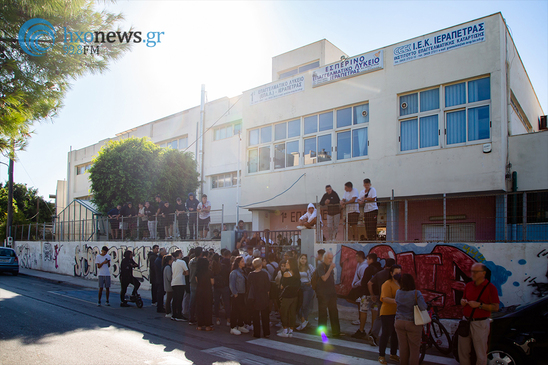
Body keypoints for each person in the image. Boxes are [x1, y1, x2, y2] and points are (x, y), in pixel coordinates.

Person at [458, 263, 500, 365]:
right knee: (463, 352)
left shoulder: (490, 288)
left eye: (476, 272)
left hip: (480, 323)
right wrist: (462, 302)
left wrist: (480, 305)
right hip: (466, 321)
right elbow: (463, 299)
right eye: (472, 271)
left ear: (483, 273)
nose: (473, 274)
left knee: (480, 354)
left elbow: (495, 307)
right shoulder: (468, 285)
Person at [395, 274, 427, 365]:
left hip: (399, 321)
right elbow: (423, 307)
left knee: (403, 347)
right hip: (413, 322)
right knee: (414, 349)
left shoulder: (398, 292)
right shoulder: (416, 293)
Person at [368, 258, 396, 346]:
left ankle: (374, 334)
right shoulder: (394, 274)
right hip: (392, 300)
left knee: (379, 318)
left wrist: (372, 294)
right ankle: (393, 337)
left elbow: (369, 283)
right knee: (393, 318)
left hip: (382, 299)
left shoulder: (380, 274)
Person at [354, 253, 382, 339]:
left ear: (370, 259)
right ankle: (372, 330)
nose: (367, 261)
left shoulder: (368, 269)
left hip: (366, 294)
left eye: (368, 259)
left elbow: (364, 282)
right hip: (377, 295)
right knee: (375, 311)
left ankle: (361, 330)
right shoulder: (380, 269)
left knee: (363, 311)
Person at [378, 264, 402, 365]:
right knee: (386, 334)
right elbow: (384, 298)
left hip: (398, 313)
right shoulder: (387, 284)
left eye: (399, 273)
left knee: (395, 334)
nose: (398, 275)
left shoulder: (401, 283)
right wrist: (396, 301)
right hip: (387, 312)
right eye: (396, 273)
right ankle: (381, 355)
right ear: (391, 273)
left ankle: (393, 354)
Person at [316, 252, 342, 337]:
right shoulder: (321, 266)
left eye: (331, 258)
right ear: (325, 258)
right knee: (323, 313)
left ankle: (336, 331)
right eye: (329, 258)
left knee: (334, 312)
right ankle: (322, 332)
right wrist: (330, 268)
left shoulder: (330, 266)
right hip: (323, 294)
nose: (331, 260)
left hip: (331, 293)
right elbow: (324, 278)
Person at [248, 257, 271, 338]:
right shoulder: (264, 274)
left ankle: (256, 333)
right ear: (261, 265)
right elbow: (268, 287)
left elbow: (248, 287)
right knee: (265, 316)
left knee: (255, 317)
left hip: (254, 297)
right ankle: (266, 332)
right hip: (263, 296)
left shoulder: (250, 275)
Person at [278, 257, 300, 338]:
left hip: (287, 296)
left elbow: (282, 286)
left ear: (291, 264)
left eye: (287, 263)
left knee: (284, 313)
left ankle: (284, 330)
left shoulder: (286, 274)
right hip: (295, 296)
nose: (286, 264)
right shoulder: (297, 274)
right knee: (292, 313)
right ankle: (291, 330)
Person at [346, 251, 368, 329]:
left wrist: (356, 284)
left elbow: (363, 279)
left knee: (355, 301)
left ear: (359, 257)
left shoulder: (364, 266)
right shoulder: (360, 264)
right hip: (357, 286)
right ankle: (359, 316)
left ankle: (360, 319)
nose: (355, 258)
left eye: (356, 257)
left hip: (359, 287)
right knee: (350, 299)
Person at [229, 256, 249, 335]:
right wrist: (235, 293)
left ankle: (241, 325)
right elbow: (232, 284)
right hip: (237, 294)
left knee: (242, 310)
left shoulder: (243, 272)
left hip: (242, 294)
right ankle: (233, 327)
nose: (244, 263)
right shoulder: (234, 272)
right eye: (242, 261)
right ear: (238, 263)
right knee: (235, 311)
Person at [296, 254, 315, 331]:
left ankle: (304, 322)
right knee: (298, 305)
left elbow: (315, 274)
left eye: (304, 259)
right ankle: (304, 321)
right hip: (300, 287)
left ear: (306, 260)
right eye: (302, 258)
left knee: (305, 305)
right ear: (299, 259)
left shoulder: (309, 266)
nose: (303, 260)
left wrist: (311, 282)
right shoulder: (298, 268)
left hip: (307, 287)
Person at [195, 257, 214, 331]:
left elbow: (197, 281)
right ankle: (207, 325)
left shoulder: (197, 272)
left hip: (199, 291)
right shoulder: (209, 272)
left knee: (199, 307)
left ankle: (200, 325)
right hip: (207, 291)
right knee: (207, 308)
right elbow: (212, 282)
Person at [213, 250, 231, 326]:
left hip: (216, 286)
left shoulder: (213, 267)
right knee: (227, 303)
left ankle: (217, 319)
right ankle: (228, 320)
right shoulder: (223, 267)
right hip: (224, 286)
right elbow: (228, 275)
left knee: (216, 303)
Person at [171, 249, 189, 321]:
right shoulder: (182, 262)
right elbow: (187, 272)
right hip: (180, 282)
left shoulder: (173, 262)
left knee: (175, 299)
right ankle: (179, 315)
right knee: (179, 299)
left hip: (174, 282)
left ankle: (174, 314)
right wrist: (183, 273)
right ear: (179, 254)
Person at [188, 246, 203, 325]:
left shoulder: (191, 261)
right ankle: (198, 317)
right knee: (199, 301)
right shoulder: (200, 262)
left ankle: (191, 317)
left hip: (192, 282)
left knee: (192, 301)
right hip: (198, 283)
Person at [154, 248, 167, 313]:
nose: (166, 252)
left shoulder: (158, 259)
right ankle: (160, 307)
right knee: (160, 293)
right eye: (165, 252)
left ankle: (160, 306)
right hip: (160, 279)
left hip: (159, 279)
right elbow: (161, 269)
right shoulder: (159, 260)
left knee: (161, 293)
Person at [162, 254, 174, 318]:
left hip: (167, 286)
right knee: (168, 299)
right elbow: (169, 278)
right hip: (169, 286)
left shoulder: (166, 267)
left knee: (168, 299)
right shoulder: (168, 267)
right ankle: (168, 312)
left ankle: (168, 311)